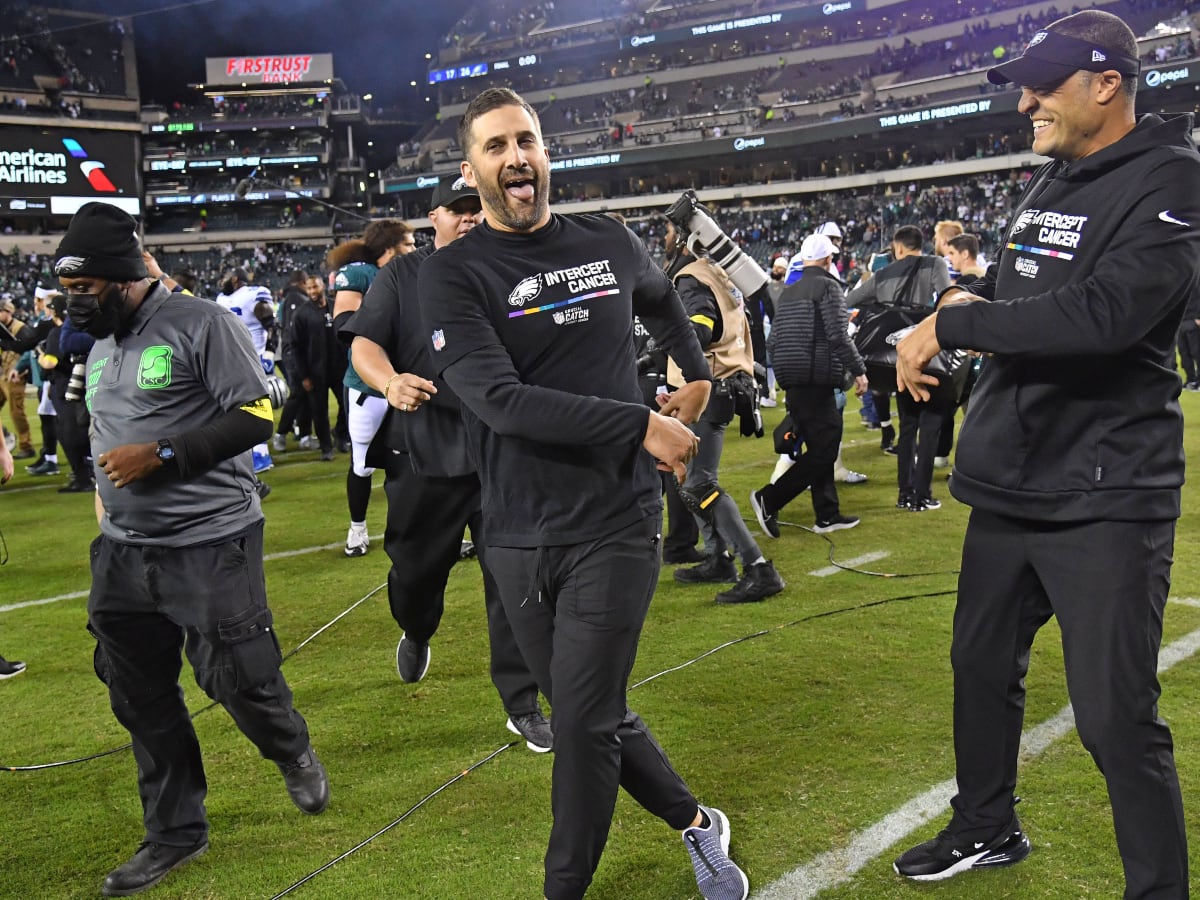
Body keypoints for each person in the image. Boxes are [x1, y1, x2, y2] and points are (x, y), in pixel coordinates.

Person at [892, 11, 1199, 896]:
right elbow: (1030, 289)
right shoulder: (1058, 178)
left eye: (1045, 83)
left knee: (1114, 720)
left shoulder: (1173, 178)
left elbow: (1104, 316)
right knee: (980, 667)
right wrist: (969, 294)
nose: (1026, 100)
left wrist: (955, 319)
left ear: (1107, 84)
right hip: (1010, 483)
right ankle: (987, 826)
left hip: (1104, 493)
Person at [418, 87, 748, 900]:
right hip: (517, 534)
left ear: (546, 153)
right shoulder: (452, 275)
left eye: (526, 139)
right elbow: (500, 401)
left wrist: (696, 379)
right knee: (588, 710)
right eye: (495, 146)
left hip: (615, 521)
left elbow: (667, 301)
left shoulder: (607, 240)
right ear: (473, 170)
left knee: (583, 724)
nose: (516, 157)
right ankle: (698, 827)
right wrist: (639, 422)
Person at [55, 202, 329, 897]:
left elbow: (258, 413)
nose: (72, 305)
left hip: (209, 541)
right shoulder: (103, 342)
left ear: (122, 278)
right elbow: (101, 434)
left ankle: (288, 746)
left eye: (83, 291)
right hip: (122, 552)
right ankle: (175, 831)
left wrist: (166, 454)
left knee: (237, 679)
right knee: (137, 693)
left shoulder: (203, 323)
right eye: (67, 291)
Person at [343, 172, 551, 750]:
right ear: (431, 219)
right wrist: (388, 384)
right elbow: (364, 344)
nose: (468, 218)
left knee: (516, 581)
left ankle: (523, 702)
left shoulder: (511, 272)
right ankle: (416, 627)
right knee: (414, 578)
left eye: (476, 208)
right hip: (424, 454)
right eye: (456, 209)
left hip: (501, 456)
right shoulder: (401, 276)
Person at [661, 217, 785, 604]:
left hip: (709, 387)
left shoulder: (692, 277)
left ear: (685, 240)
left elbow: (699, 327)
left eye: (669, 232)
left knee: (699, 483)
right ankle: (718, 557)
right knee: (689, 482)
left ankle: (758, 567)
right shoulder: (721, 274)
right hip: (727, 384)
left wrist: (663, 343)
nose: (665, 237)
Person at [750, 234, 868, 537]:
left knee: (819, 445)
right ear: (829, 260)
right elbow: (838, 335)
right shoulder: (828, 286)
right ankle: (769, 498)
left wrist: (788, 374)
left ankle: (827, 515)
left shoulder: (789, 291)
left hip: (793, 379)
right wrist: (859, 370)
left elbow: (773, 340)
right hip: (816, 379)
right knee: (825, 449)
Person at [327, 221, 415, 556]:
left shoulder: (414, 271)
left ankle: (435, 529)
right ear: (390, 248)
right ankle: (357, 530)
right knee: (362, 462)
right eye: (407, 244)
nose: (413, 248)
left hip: (410, 380)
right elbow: (343, 321)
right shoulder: (362, 274)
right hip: (370, 385)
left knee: (424, 459)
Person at [847, 225, 951, 454]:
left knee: (906, 419)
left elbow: (851, 300)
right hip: (919, 350)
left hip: (885, 355)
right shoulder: (935, 263)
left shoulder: (883, 274)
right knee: (922, 412)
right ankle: (926, 464)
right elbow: (947, 296)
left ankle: (906, 478)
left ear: (899, 247)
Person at [0, 299, 36, 459]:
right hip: (2, 375)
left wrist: (23, 370)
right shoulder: (3, 329)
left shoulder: (21, 329)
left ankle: (26, 446)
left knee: (16, 412)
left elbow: (28, 350)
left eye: (1, 311)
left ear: (9, 312)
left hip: (16, 377)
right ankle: (6, 436)